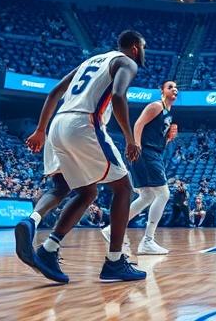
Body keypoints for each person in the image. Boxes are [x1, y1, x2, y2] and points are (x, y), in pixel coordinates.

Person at [14, 30, 146, 284]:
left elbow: (54, 92)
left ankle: (40, 235)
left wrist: (40, 130)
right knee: (123, 189)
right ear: (134, 48)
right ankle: (115, 261)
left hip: (57, 125)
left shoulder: (90, 61)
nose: (143, 52)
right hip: (84, 124)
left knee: (78, 190)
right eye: (143, 47)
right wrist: (130, 138)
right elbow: (118, 96)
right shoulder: (126, 62)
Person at [104, 80, 179, 255]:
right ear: (162, 91)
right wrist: (136, 146)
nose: (174, 89)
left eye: (176, 87)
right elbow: (138, 124)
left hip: (153, 153)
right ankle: (148, 241)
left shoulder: (168, 114)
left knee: (147, 196)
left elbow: (157, 139)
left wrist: (168, 138)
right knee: (163, 194)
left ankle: (111, 229)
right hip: (145, 153)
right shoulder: (156, 106)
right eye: (170, 87)